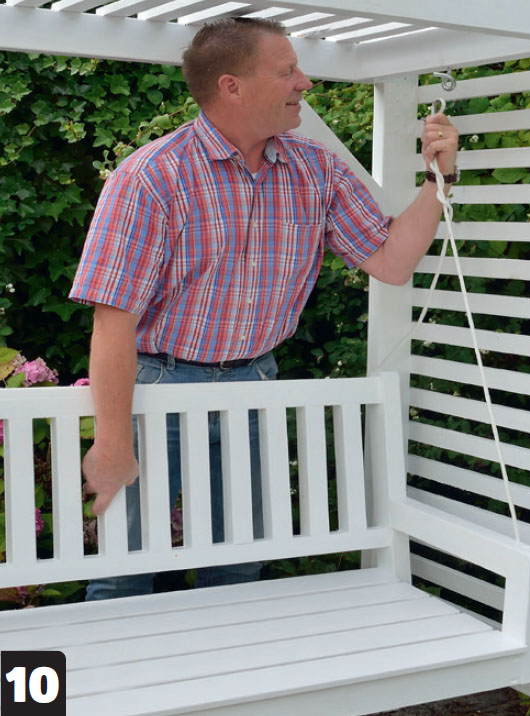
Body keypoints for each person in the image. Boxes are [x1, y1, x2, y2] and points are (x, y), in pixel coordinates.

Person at [70, 16, 458, 600]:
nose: (306, 82)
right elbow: (112, 320)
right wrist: (113, 441)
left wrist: (438, 178)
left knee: (241, 568)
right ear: (232, 86)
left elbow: (391, 261)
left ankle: (231, 660)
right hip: (157, 389)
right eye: (288, 71)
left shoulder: (316, 169)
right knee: (124, 572)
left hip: (254, 384)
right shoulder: (151, 177)